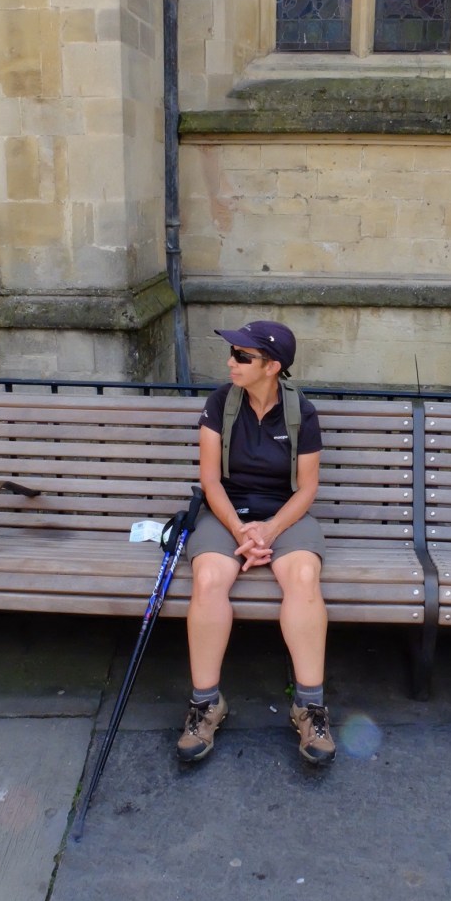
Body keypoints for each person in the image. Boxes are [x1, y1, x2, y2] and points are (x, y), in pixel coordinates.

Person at [177, 320, 335, 765]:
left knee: (303, 576)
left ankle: (310, 706)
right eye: (232, 354)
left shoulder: (300, 411)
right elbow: (210, 479)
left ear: (272, 366)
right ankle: (205, 704)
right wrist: (242, 530)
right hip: (228, 512)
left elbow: (306, 489)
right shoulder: (219, 404)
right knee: (208, 578)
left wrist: (269, 530)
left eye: (242, 356)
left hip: (285, 514)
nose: (231, 362)